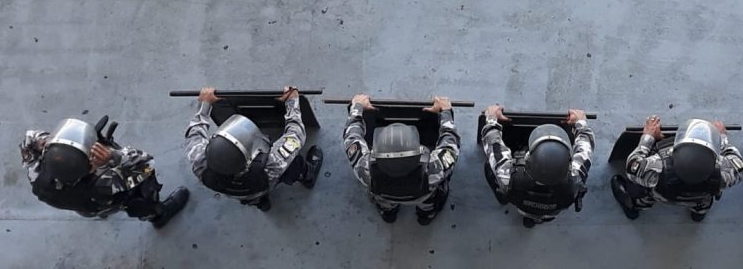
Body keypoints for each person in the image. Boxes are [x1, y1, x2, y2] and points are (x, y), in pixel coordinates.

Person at [21, 116, 188, 227]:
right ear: (92, 167)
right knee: (141, 197)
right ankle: (157, 216)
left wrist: (49, 144)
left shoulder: (36, 175)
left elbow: (28, 139)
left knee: (85, 205)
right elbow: (146, 165)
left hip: (78, 204)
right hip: (101, 199)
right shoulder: (104, 183)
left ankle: (98, 213)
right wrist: (114, 157)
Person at [183, 86, 323, 212]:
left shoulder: (199, 161)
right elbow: (296, 135)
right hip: (266, 181)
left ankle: (260, 202)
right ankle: (308, 176)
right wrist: (292, 102)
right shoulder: (271, 165)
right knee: (294, 163)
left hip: (238, 190)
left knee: (249, 196)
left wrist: (204, 104)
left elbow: (194, 134)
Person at [343, 94, 460, 225]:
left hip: (383, 195)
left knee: (383, 202)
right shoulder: (433, 170)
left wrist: (357, 107)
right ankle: (425, 215)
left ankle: (388, 213)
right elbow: (450, 143)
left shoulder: (365, 169)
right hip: (422, 195)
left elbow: (352, 138)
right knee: (430, 200)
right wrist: (446, 111)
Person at [611, 115, 743, 222]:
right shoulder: (725, 171)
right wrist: (721, 138)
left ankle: (634, 208)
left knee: (644, 194)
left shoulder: (656, 167)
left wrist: (648, 137)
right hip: (699, 198)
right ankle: (698, 215)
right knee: (703, 203)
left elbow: (632, 165)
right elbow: (738, 163)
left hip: (662, 195)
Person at [480, 104, 594, 228]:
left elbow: (493, 144)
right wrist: (580, 122)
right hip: (551, 211)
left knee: (489, 168)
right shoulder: (575, 179)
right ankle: (533, 221)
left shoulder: (508, 176)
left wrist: (492, 117)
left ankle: (503, 199)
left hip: (521, 204)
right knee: (543, 215)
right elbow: (585, 146)